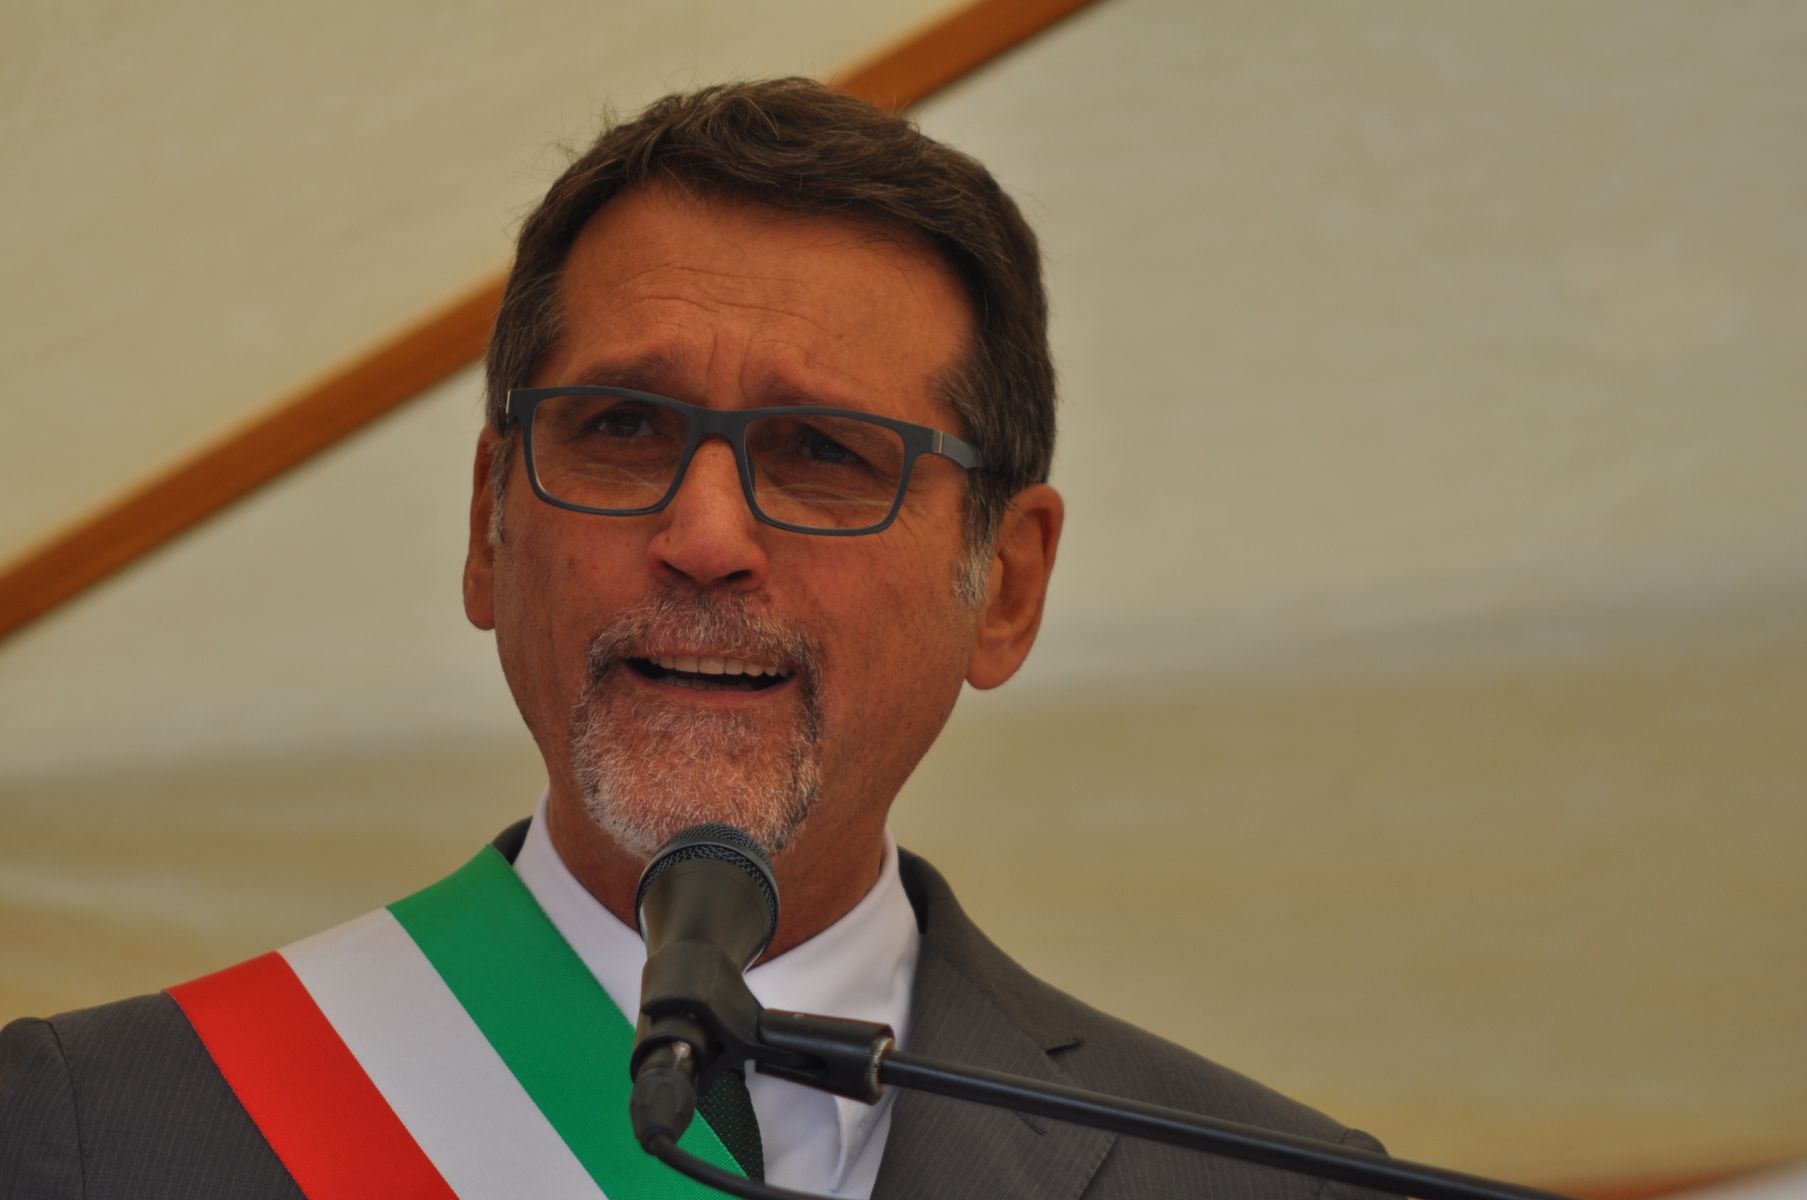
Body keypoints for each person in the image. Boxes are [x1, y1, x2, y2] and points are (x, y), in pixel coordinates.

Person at [0, 79, 1385, 1198]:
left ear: (1006, 587)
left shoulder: (1267, 1185)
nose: (705, 534)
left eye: (824, 452)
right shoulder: (91, 1136)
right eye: (620, 428)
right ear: (489, 527)